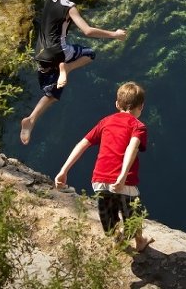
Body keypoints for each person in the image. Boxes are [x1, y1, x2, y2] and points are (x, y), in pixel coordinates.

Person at [20, 0, 127, 145]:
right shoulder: (70, 7)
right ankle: (66, 69)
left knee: (51, 91)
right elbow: (87, 31)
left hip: (40, 53)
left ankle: (31, 119)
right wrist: (114, 34)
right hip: (59, 52)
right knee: (89, 54)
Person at [54, 81, 154, 252]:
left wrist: (63, 171)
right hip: (124, 182)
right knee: (133, 213)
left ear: (117, 104)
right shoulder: (139, 126)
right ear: (141, 107)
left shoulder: (105, 122)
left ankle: (118, 239)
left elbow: (82, 144)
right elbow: (132, 147)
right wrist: (122, 176)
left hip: (99, 179)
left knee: (109, 217)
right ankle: (139, 241)